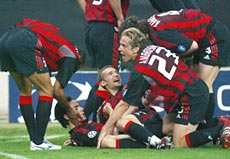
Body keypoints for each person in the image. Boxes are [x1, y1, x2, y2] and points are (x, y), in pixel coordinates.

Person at [97, 27, 230, 148]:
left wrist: (105, 129)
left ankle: (219, 129)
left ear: (136, 49)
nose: (119, 49)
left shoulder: (140, 71)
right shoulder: (152, 47)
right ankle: (216, 124)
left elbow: (124, 105)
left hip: (190, 95)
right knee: (167, 129)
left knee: (180, 142)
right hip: (188, 90)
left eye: (123, 46)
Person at [119, 9, 230, 131]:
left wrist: (174, 60)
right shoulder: (153, 27)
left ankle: (211, 126)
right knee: (198, 83)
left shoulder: (159, 34)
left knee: (204, 84)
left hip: (212, 35)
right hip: (202, 36)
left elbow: (192, 46)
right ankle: (206, 127)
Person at [0, 18, 85, 150]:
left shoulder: (56, 45)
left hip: (5, 39)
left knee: (24, 90)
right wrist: (69, 109)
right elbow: (57, 91)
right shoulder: (73, 57)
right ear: (80, 63)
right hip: (25, 40)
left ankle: (35, 139)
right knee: (46, 90)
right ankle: (38, 142)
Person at [55, 96, 173, 149]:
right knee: (106, 141)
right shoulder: (81, 131)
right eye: (76, 108)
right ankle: (152, 141)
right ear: (66, 116)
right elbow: (105, 136)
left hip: (146, 120)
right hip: (144, 125)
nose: (81, 109)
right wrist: (112, 113)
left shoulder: (83, 129)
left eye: (79, 106)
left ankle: (152, 140)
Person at [76, 0, 130, 69]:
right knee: (110, 70)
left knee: (102, 70)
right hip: (107, 25)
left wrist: (89, 14)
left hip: (91, 26)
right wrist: (120, 18)